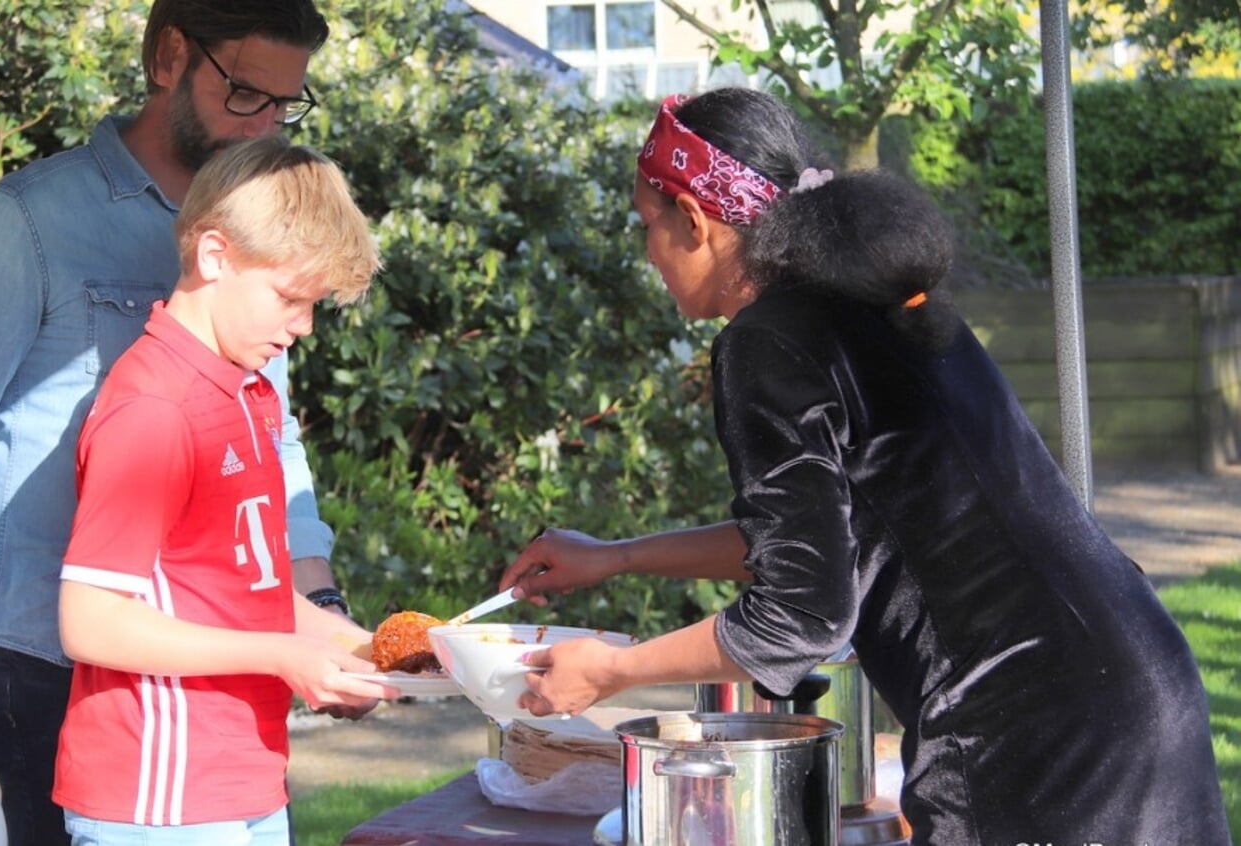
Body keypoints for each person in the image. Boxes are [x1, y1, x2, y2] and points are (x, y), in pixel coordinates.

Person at [498, 88, 1231, 845]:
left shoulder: (765, 343)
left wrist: (609, 671)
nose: (647, 251)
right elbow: (829, 538)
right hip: (1134, 679)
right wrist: (614, 559)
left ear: (693, 218)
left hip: (1032, 729)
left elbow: (799, 616)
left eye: (648, 226)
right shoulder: (874, 305)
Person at [0, 2, 358, 843]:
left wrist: (316, 607)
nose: (267, 124)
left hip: (202, 686)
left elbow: (271, 445)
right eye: (247, 94)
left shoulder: (264, 238)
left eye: (285, 104)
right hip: (38, 673)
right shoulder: (28, 224)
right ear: (170, 56)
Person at [51, 136, 384, 845]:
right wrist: (279, 658)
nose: (303, 327)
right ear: (213, 256)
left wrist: (375, 654)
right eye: (291, 298)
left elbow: (250, 595)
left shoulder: (247, 392)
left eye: (315, 304)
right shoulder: (154, 409)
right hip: (159, 798)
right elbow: (90, 621)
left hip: (243, 778)